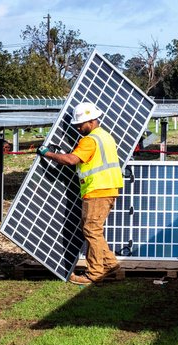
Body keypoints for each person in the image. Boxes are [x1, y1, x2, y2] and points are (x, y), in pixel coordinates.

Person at [37, 102, 123, 286]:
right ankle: (111, 265)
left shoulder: (90, 140)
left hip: (97, 190)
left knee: (92, 231)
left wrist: (48, 154)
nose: (77, 127)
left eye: (79, 124)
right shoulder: (105, 136)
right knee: (93, 230)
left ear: (91, 121)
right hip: (107, 189)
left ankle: (94, 273)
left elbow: (71, 159)